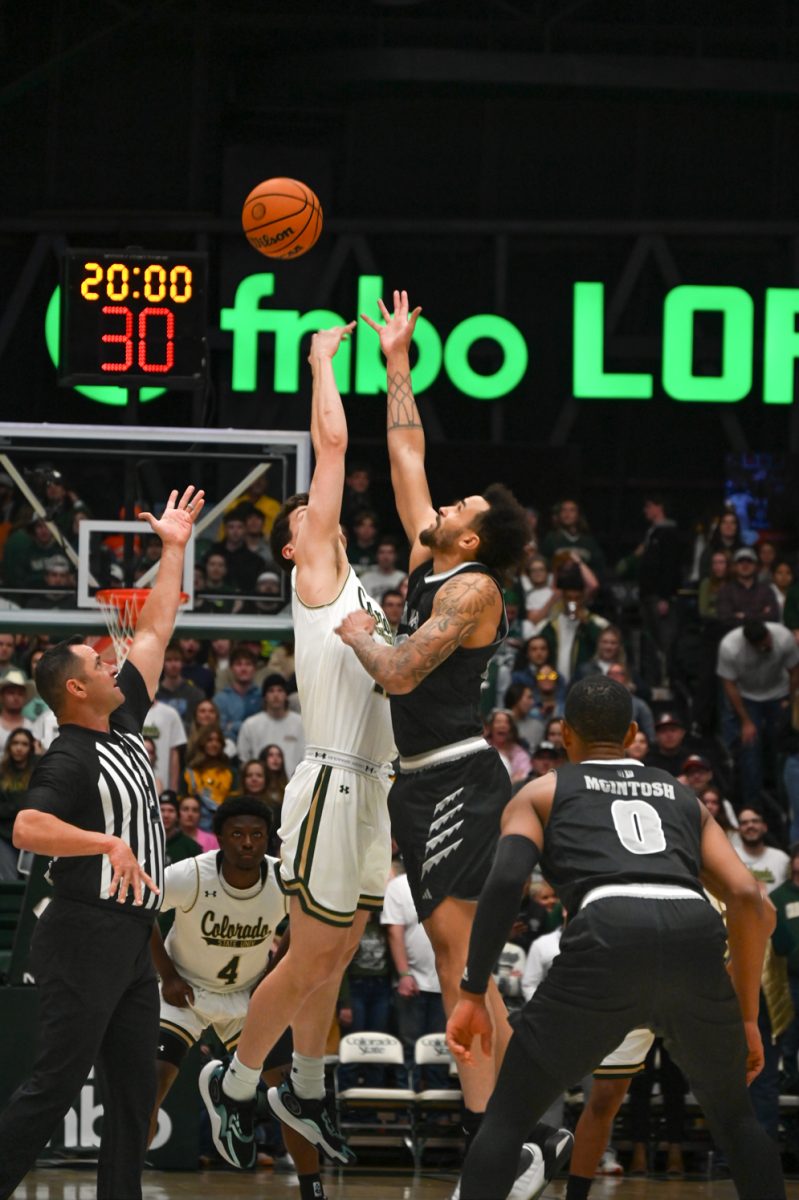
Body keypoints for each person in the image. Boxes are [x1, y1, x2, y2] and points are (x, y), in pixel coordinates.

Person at [336, 292, 559, 1197]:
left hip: (457, 781)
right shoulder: (440, 562)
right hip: (419, 783)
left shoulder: (470, 592)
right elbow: (404, 451)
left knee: (463, 958)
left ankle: (514, 1140)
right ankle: (503, 1141)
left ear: (468, 535)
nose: (442, 501)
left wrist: (358, 634)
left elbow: (396, 672)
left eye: (458, 505)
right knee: (458, 964)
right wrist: (396, 356)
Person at [446, 674, 784, 1200]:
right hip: (694, 933)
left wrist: (471, 992)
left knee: (507, 1119)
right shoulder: (683, 797)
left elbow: (508, 880)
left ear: (564, 733)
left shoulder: (540, 792)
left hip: (607, 931)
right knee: (738, 1123)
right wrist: (743, 1015)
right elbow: (748, 899)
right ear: (631, 733)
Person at [199, 321, 396, 1172]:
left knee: (341, 952)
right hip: (331, 786)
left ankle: (307, 1087)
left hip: (373, 790)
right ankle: (236, 1085)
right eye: (308, 511)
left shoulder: (357, 586)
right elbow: (333, 441)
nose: (325, 508)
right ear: (292, 544)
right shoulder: (314, 572)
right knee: (313, 950)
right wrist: (323, 361)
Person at [0, 485, 204, 1200]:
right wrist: (104, 844)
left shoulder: (121, 724)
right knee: (53, 1086)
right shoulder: (68, 757)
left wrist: (173, 550)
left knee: (133, 1093)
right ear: (77, 692)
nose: (112, 664)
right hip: (83, 931)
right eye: (97, 664)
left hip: (129, 935)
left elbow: (152, 633)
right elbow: (27, 828)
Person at [148, 796, 327, 1200]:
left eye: (257, 835)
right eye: (238, 834)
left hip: (249, 996)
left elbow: (308, 920)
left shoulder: (284, 878)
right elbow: (141, 910)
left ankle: (313, 1189)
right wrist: (168, 974)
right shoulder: (191, 874)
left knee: (291, 1092)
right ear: (221, 840)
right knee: (149, 1085)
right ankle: (122, 1186)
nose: (248, 842)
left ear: (267, 839)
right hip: (186, 994)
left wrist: (275, 970)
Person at [718, 618, 799, 812]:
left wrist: (789, 701)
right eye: (762, 645)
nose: (767, 646)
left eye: (768, 641)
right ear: (751, 644)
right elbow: (728, 684)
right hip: (747, 696)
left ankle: (784, 804)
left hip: (779, 693)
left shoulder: (783, 636)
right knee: (750, 749)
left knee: (781, 748)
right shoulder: (730, 647)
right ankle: (752, 806)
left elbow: (795, 670)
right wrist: (746, 721)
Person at [237, 672, 305, 776]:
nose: (276, 695)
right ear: (265, 696)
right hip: (261, 786)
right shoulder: (250, 725)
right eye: (271, 691)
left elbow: (306, 757)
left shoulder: (301, 723)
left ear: (286, 695)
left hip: (294, 784)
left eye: (280, 690)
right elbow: (244, 759)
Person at [0, 727, 38, 881]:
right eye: (15, 743)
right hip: (4, 835)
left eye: (24, 744)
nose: (19, 748)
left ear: (31, 747)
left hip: (32, 836)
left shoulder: (39, 770)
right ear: (9, 746)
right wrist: (19, 805)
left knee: (31, 881)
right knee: (10, 881)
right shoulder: (1, 771)